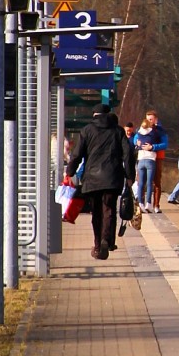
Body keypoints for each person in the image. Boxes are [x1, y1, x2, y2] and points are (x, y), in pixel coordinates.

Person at [66, 105, 134, 261]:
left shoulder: (87, 130)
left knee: (96, 212)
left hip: (92, 178)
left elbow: (77, 154)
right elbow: (128, 154)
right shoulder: (118, 131)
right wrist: (130, 176)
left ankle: (98, 245)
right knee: (109, 209)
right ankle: (106, 240)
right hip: (113, 177)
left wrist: (70, 172)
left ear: (95, 114)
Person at [133, 116, 161, 213]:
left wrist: (138, 144)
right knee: (149, 183)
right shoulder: (153, 133)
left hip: (140, 160)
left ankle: (140, 203)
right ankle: (148, 204)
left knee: (141, 183)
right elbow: (160, 141)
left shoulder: (139, 134)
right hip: (150, 160)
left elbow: (135, 143)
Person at [144, 108, 169, 213]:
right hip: (145, 157)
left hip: (157, 157)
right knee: (142, 181)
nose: (150, 121)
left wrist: (153, 147)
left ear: (156, 120)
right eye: (148, 119)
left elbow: (165, 144)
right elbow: (137, 138)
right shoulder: (142, 129)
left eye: (151, 119)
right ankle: (143, 204)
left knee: (156, 181)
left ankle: (156, 205)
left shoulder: (161, 131)